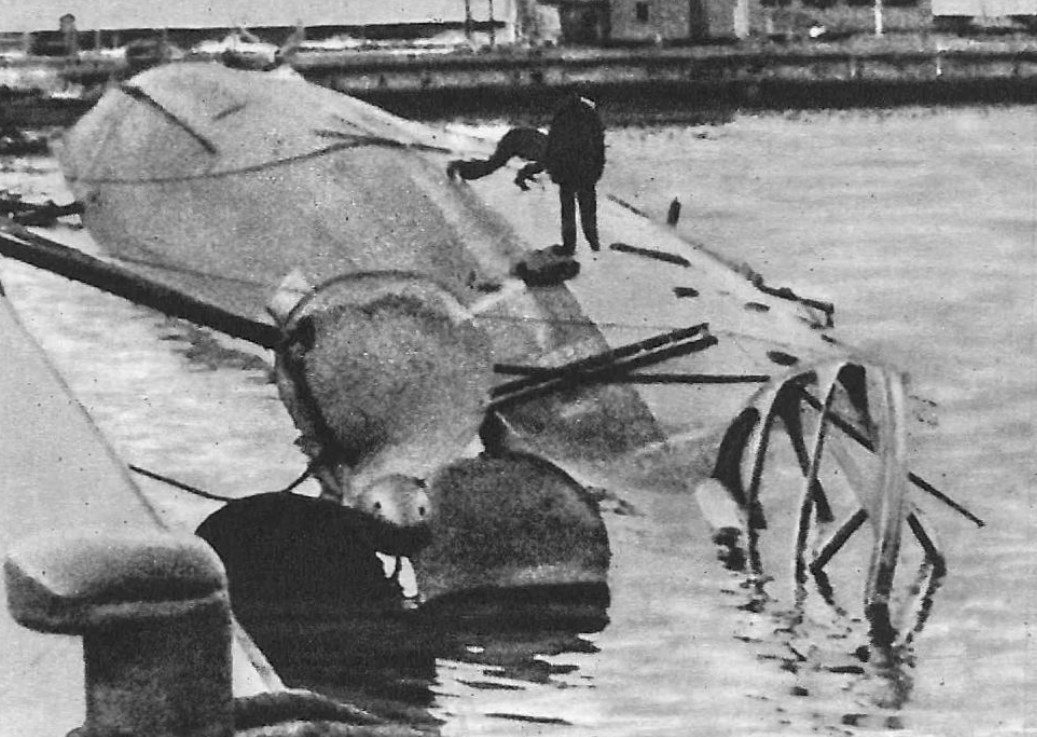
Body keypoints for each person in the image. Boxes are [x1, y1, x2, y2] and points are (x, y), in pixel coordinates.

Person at [544, 93, 605, 255]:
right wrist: (597, 170)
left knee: (568, 211)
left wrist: (553, 169)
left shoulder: (562, 115)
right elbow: (599, 147)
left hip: (566, 170)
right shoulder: (591, 116)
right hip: (586, 170)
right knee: (588, 210)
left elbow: (552, 145)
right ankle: (594, 243)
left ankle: (569, 246)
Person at [447, 127, 548, 191]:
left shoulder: (548, 158)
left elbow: (529, 169)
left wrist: (523, 180)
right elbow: (529, 169)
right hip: (516, 140)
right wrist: (522, 180)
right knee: (492, 166)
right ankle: (459, 166)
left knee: (492, 165)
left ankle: (464, 169)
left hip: (521, 138)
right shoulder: (549, 157)